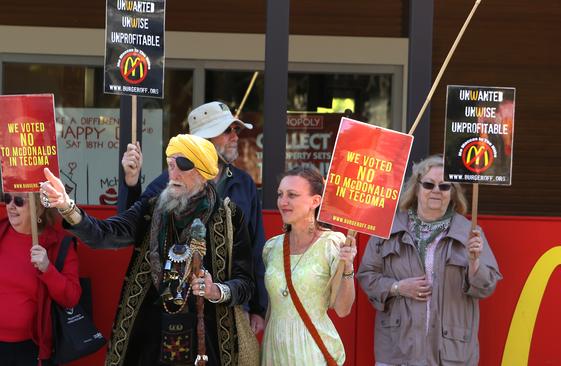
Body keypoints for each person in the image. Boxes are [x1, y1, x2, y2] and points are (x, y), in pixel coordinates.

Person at [40, 134, 255, 366]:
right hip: (150, 341)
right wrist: (66, 206)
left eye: (182, 166)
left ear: (203, 173)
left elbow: (245, 284)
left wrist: (216, 291)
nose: (173, 174)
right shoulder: (151, 210)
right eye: (171, 165)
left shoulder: (229, 218)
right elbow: (105, 234)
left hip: (206, 343)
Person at [119, 101, 268, 334]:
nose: (235, 136)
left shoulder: (244, 183)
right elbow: (133, 227)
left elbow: (255, 248)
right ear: (205, 140)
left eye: (236, 129)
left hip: (230, 306)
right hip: (177, 311)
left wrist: (259, 307)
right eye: (227, 130)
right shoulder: (169, 182)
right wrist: (131, 182)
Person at [357, 154, 502, 365]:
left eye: (445, 186)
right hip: (398, 351)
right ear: (416, 188)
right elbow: (367, 275)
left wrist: (474, 263)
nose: (436, 191)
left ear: (452, 193)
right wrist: (397, 287)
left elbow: (486, 287)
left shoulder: (470, 234)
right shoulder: (389, 229)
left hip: (450, 354)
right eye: (429, 184)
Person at [261, 166, 356, 366]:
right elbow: (272, 306)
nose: (283, 202)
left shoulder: (332, 244)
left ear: (316, 201)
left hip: (311, 350)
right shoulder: (272, 247)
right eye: (280, 194)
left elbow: (342, 309)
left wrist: (348, 267)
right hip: (274, 349)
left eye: (292, 195)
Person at [0, 192, 81, 366]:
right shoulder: (1, 232)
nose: (11, 206)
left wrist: (47, 269)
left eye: (19, 201)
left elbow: (72, 298)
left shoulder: (58, 244)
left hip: (32, 349)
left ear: (39, 207)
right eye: (7, 198)